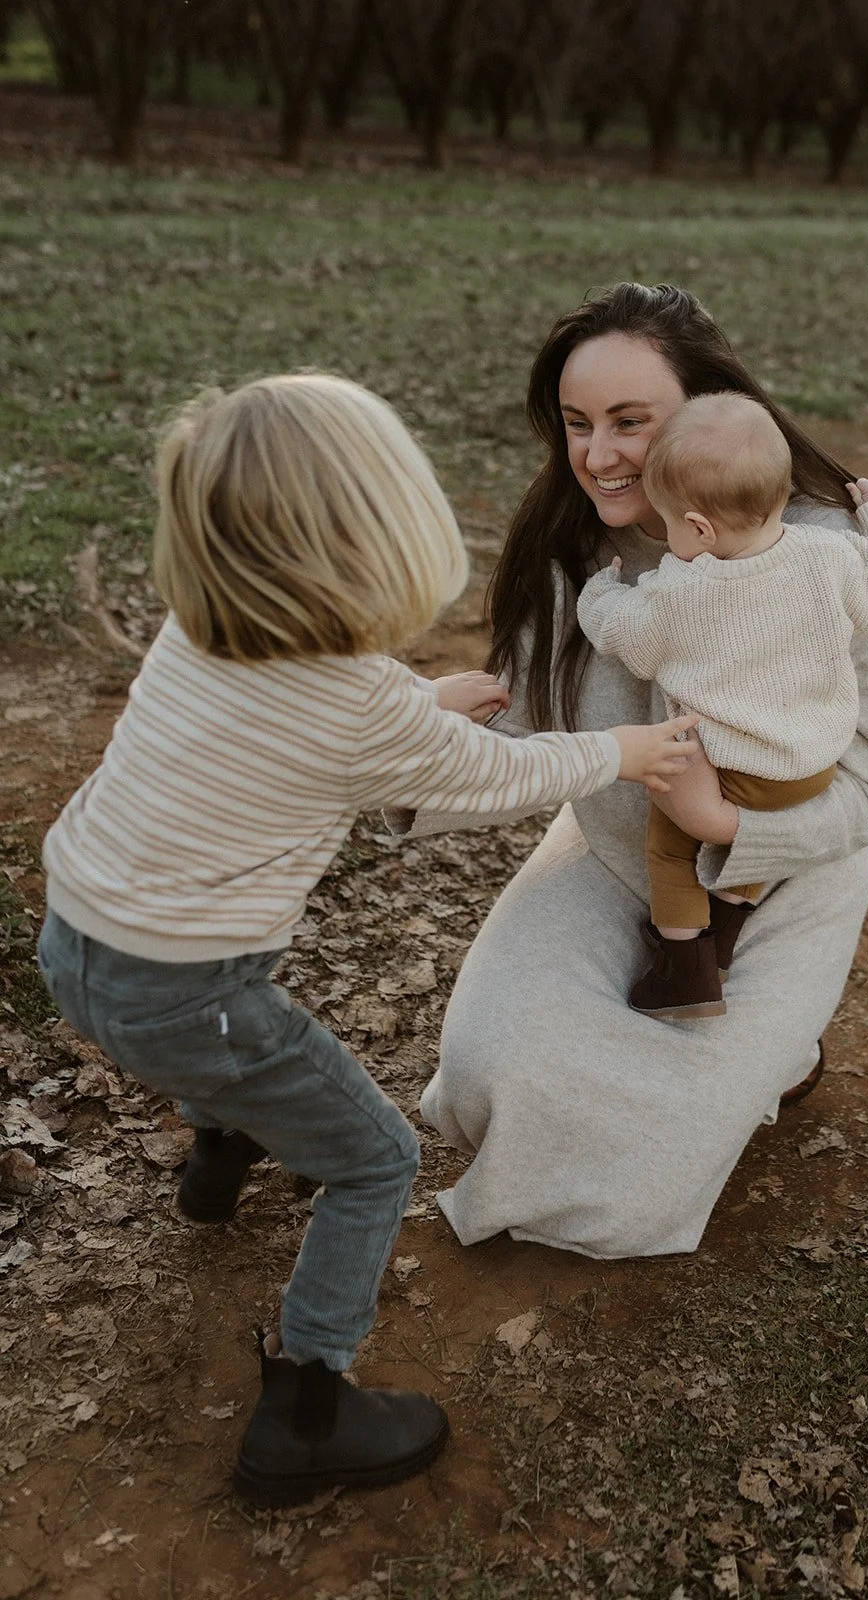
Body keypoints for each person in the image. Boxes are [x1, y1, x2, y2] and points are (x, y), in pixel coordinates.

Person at [34, 372, 699, 1507]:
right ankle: (305, 1407)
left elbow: (323, 719)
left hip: (81, 943)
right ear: (374, 534)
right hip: (193, 991)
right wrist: (621, 754)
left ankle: (220, 1148)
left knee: (233, 1040)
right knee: (374, 1155)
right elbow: (497, 775)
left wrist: (415, 702)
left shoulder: (200, 630)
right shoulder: (354, 712)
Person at [391, 282, 868, 1260]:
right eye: (578, 424)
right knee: (482, 1075)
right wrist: (409, 742)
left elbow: (867, 792)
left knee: (640, 1176)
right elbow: (524, 732)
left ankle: (774, 1047)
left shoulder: (819, 556)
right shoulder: (568, 550)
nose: (596, 453)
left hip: (784, 871)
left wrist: (722, 823)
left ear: (710, 414)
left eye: (631, 421)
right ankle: (703, 1031)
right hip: (619, 851)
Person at [576, 391, 868, 1021]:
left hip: (724, 768)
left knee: (670, 850)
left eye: (670, 521)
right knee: (754, 838)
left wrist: (598, 592)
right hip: (807, 769)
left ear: (700, 529)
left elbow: (625, 637)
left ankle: (685, 971)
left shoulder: (681, 592)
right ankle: (729, 926)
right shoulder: (827, 557)